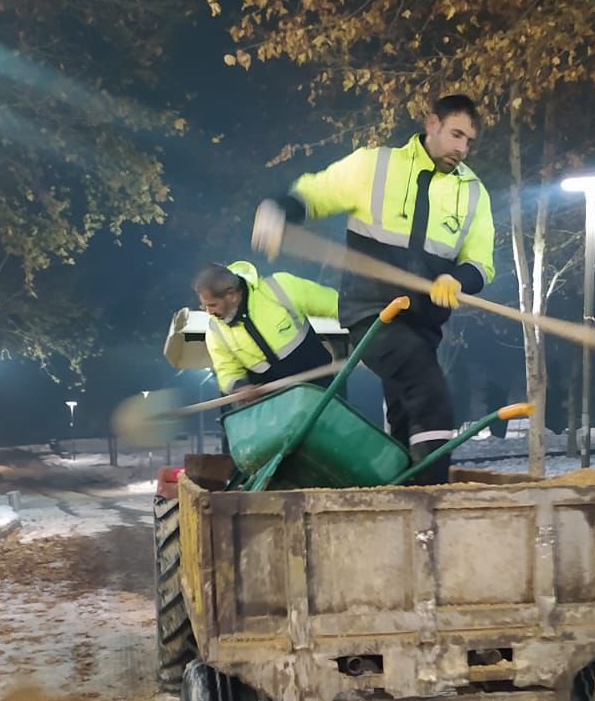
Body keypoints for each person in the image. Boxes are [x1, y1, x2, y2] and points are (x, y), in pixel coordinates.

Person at [251, 94, 495, 483]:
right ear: (432, 123)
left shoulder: (473, 194)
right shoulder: (375, 166)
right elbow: (318, 192)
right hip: (373, 316)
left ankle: (400, 494)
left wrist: (457, 279)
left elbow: (481, 263)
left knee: (405, 414)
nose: (462, 148)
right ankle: (430, 501)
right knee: (431, 397)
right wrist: (280, 208)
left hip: (424, 325)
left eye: (469, 140)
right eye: (456, 134)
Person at [194, 260, 339, 402]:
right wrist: (239, 387)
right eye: (204, 306)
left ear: (231, 295)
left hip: (321, 393)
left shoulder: (280, 288)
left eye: (212, 305)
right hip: (275, 407)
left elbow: (334, 304)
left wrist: (360, 322)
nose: (209, 312)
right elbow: (227, 370)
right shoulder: (215, 331)